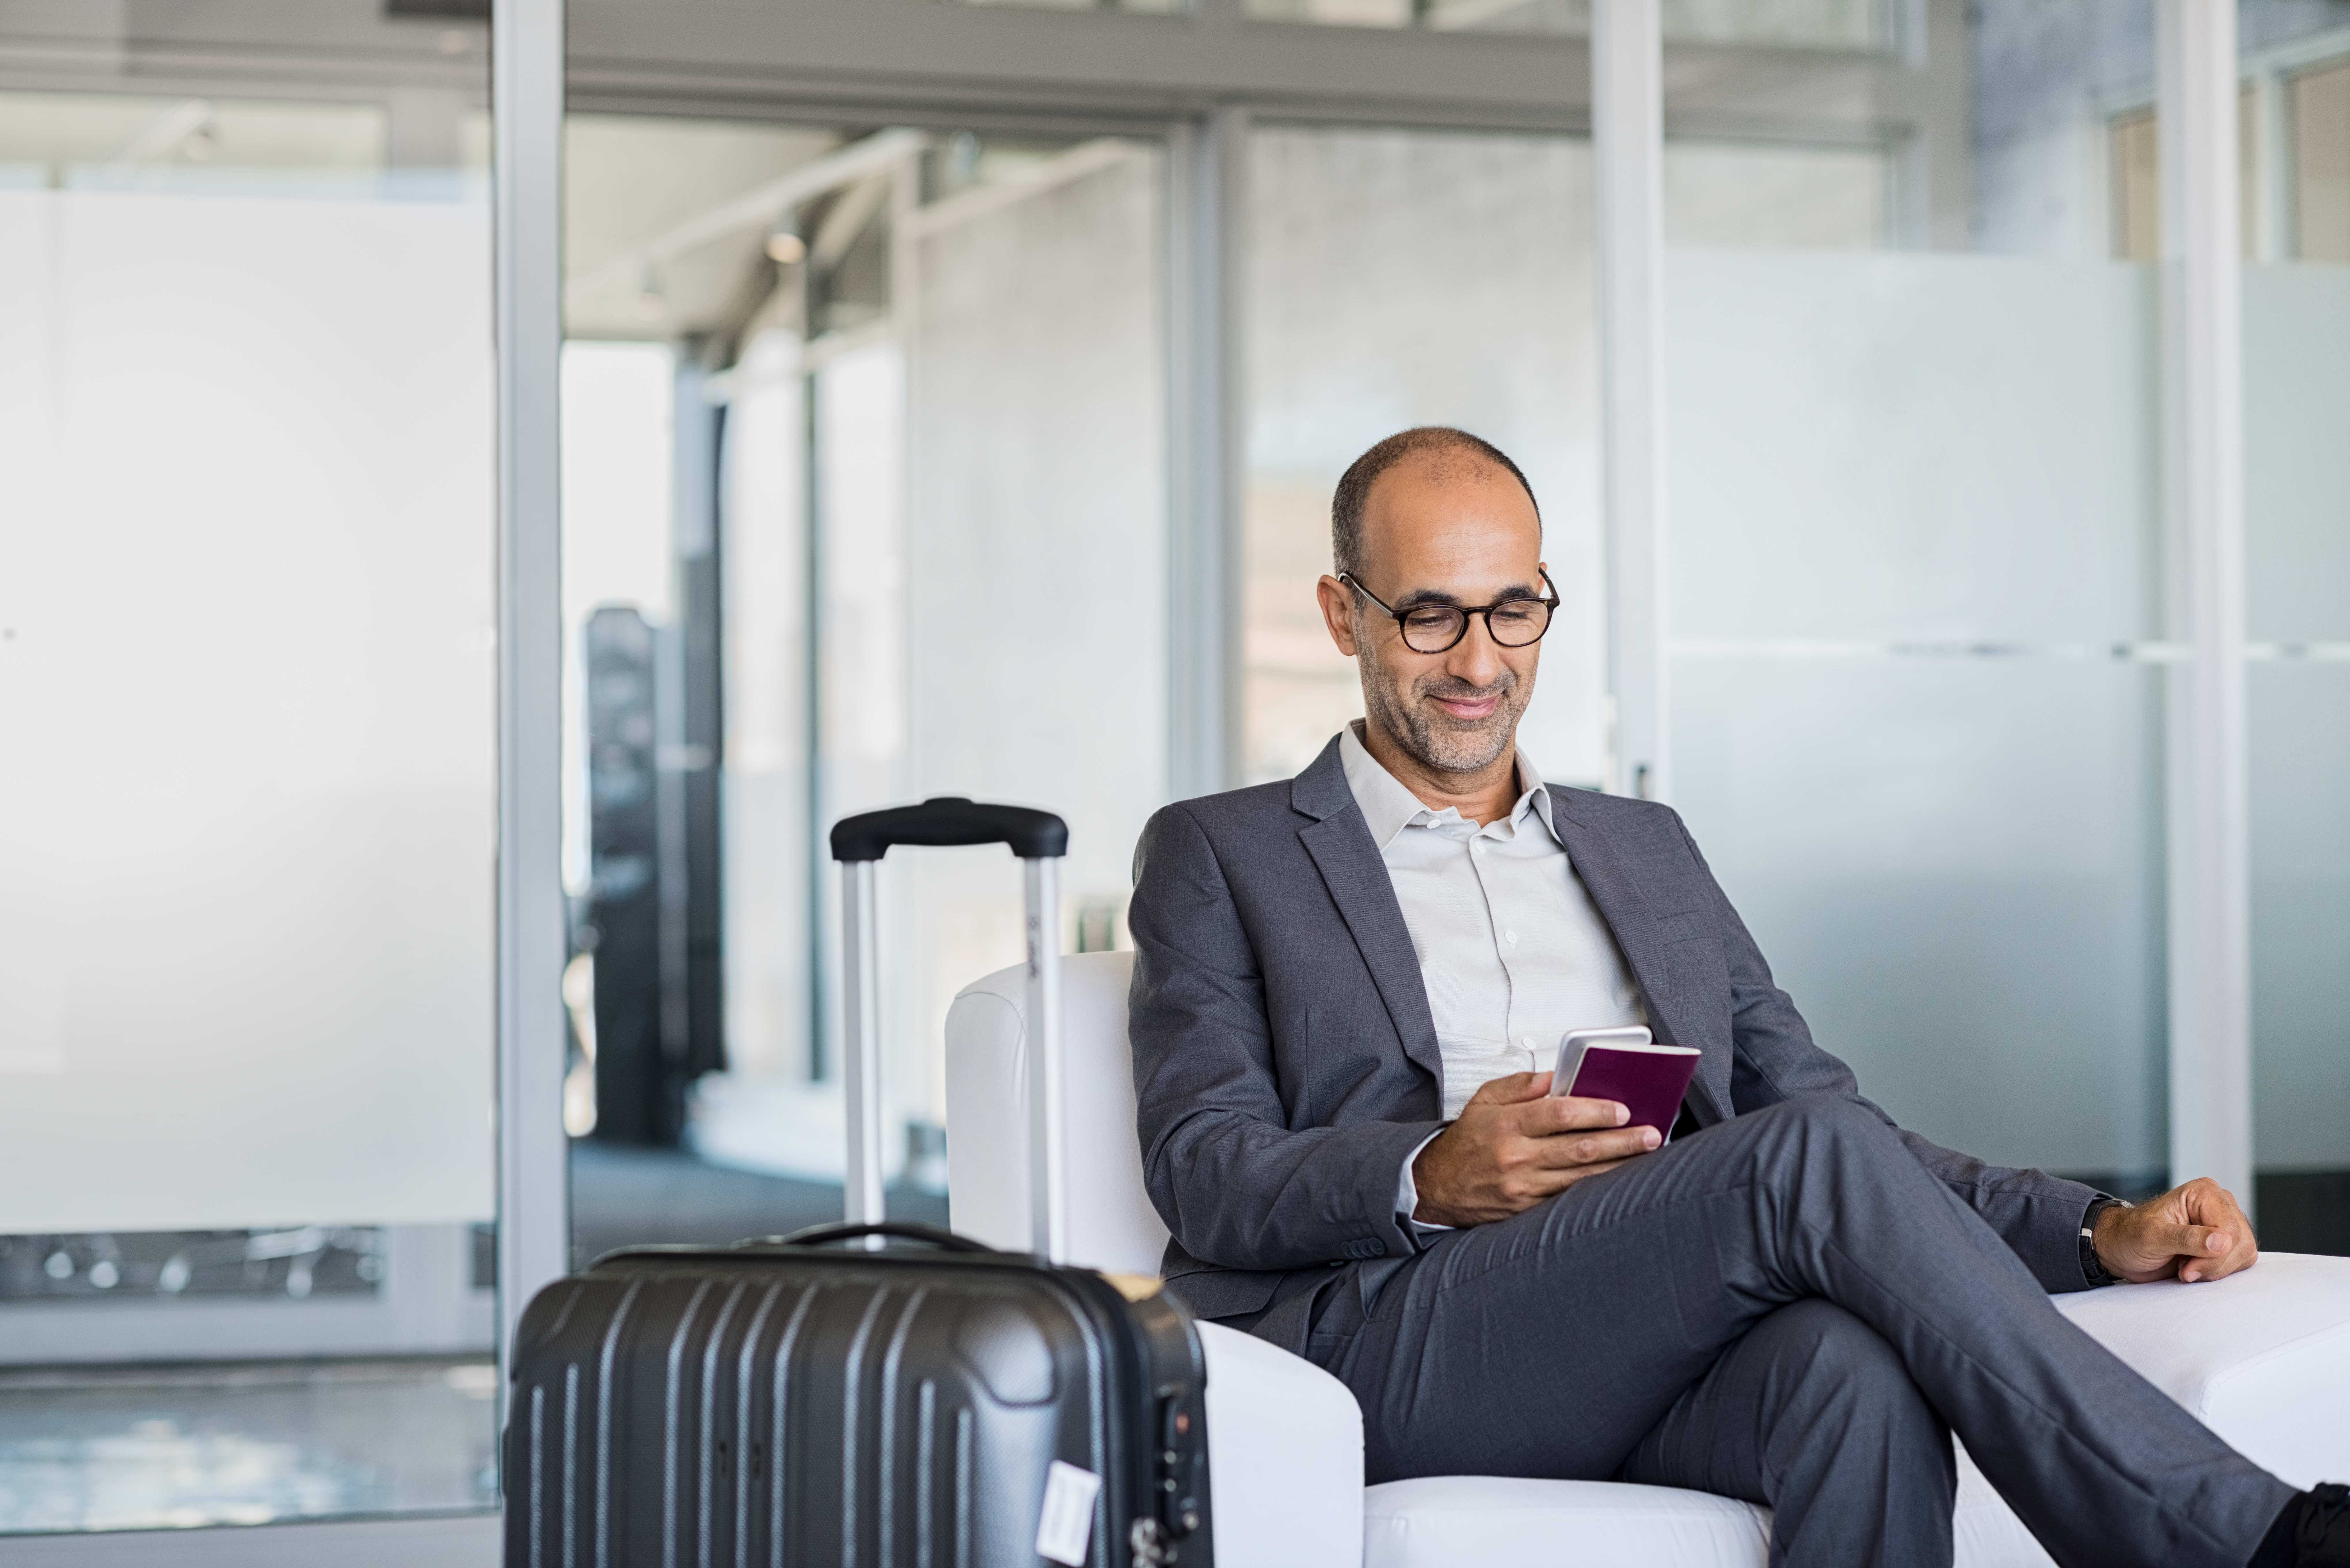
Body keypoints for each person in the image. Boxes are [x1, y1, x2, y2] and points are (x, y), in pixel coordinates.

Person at [1124, 426, 2349, 1568]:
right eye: (1431, 617)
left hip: (1637, 1330)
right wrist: (1427, 1171)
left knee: (1849, 1371)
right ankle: (2233, 1534)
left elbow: (1834, 1128)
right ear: (1345, 614)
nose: (1480, 661)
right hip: (1392, 1344)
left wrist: (2092, 1232)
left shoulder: (1642, 847)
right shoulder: (1224, 852)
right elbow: (1203, 1165)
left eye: (1513, 609)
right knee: (1798, 1162)